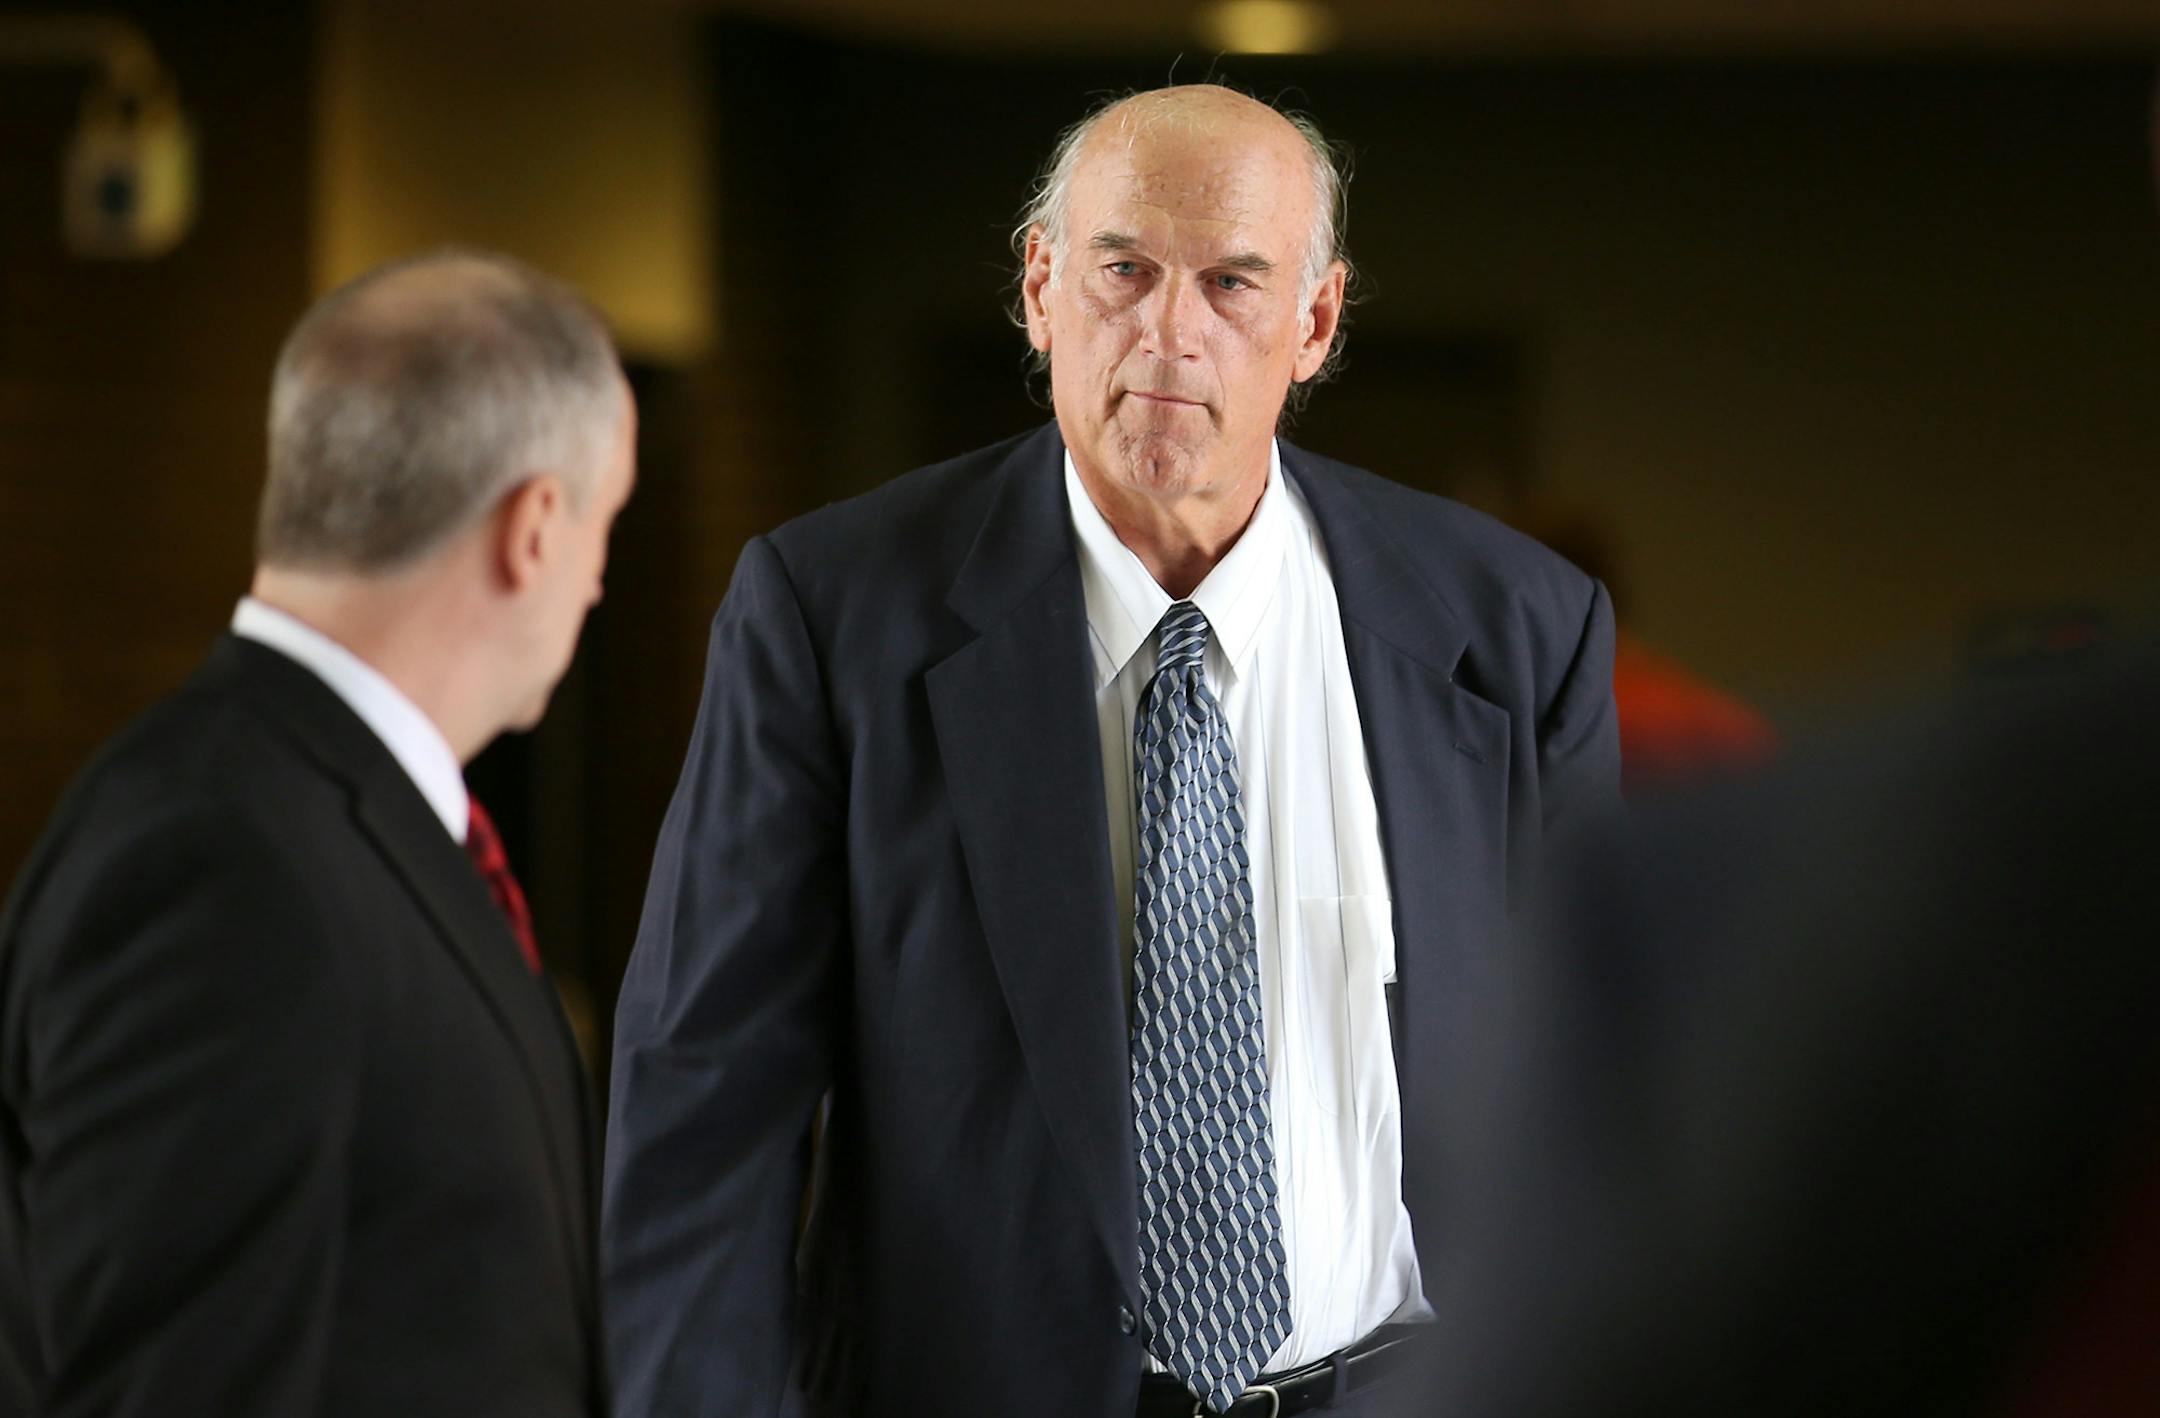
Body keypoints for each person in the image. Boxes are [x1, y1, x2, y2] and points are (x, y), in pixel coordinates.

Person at [604, 85, 1618, 1418]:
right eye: (1123, 270)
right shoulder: (834, 614)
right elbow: (704, 1107)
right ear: (1039, 287)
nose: (1169, 330)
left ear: (1314, 323)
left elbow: (1593, 1103)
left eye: (1233, 282)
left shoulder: (1516, 630)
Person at [0, 249, 636, 1417]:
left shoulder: (322, 811)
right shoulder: (218, 861)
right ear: (537, 526)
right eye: (608, 523)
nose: (598, 585)